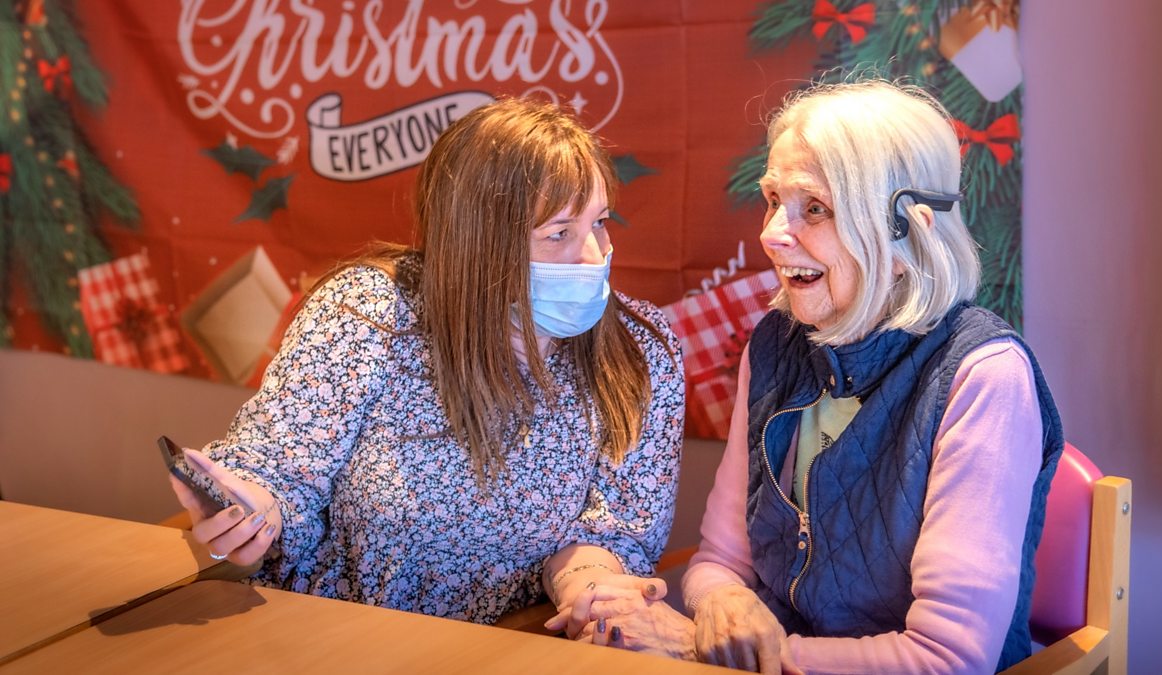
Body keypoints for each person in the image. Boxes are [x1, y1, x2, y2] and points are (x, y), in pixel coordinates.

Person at [556, 80, 1064, 674]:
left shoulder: (984, 376)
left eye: (815, 208)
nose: (771, 233)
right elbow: (720, 557)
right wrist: (721, 604)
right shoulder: (776, 343)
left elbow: (947, 659)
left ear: (912, 230)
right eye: (773, 199)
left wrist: (709, 649)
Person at [168, 97, 684, 625]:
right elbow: (278, 474)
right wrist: (247, 510)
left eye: (599, 223)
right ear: (479, 243)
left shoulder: (640, 350)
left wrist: (586, 586)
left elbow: (611, 534)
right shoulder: (368, 312)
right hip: (330, 637)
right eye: (559, 234)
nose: (595, 257)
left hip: (511, 651)